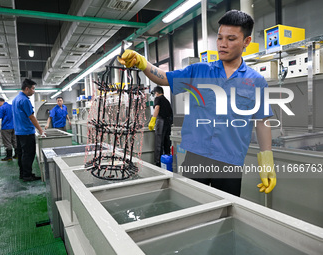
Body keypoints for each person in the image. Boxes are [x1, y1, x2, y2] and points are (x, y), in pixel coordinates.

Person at [118, 10, 276, 197]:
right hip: (196, 156)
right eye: (219, 38)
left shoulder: (256, 80)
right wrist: (143, 63)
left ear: (246, 42)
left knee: (226, 213)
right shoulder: (199, 71)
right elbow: (164, 78)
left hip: (230, 161)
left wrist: (266, 160)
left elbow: (262, 121)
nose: (223, 44)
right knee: (189, 204)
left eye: (231, 39)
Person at [12, 78, 46, 182]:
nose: (34, 91)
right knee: (29, 154)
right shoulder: (25, 100)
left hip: (18, 131)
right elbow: (31, 117)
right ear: (27, 89)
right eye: (33, 88)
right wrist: (40, 130)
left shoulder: (15, 99)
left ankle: (23, 174)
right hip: (26, 131)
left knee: (22, 154)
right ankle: (27, 175)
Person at [148, 86, 173, 166]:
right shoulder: (166, 100)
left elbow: (157, 108)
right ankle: (166, 160)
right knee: (166, 142)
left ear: (156, 93)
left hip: (161, 121)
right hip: (168, 123)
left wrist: (153, 120)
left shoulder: (158, 98)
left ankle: (158, 162)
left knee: (159, 142)